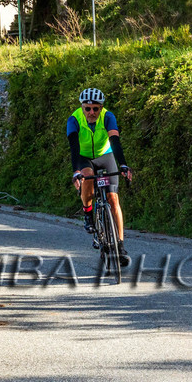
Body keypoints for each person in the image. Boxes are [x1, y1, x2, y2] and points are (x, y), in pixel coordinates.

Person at [68, 87, 132, 264]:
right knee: (87, 176)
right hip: (84, 157)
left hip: (106, 155)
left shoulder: (108, 116)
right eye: (87, 108)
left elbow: (115, 141)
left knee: (113, 199)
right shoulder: (74, 119)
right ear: (82, 107)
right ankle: (88, 213)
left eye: (96, 108)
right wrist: (76, 172)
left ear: (101, 107)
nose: (91, 112)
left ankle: (120, 246)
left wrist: (124, 165)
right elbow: (74, 148)